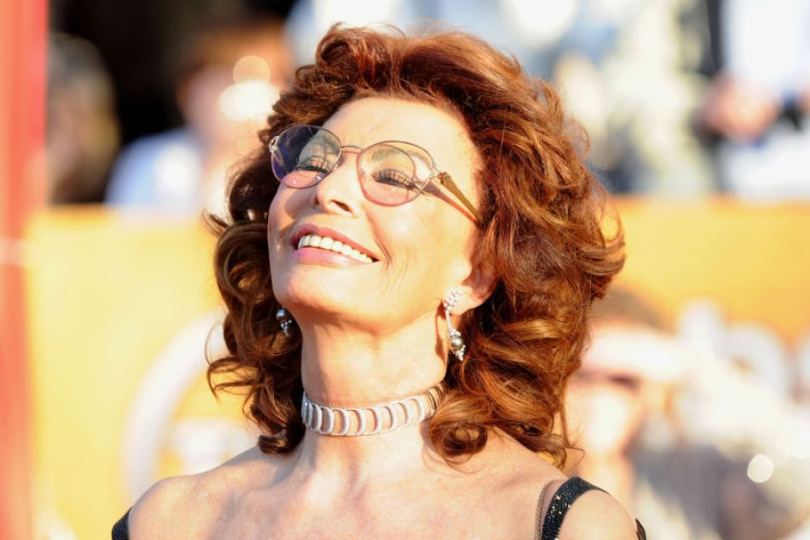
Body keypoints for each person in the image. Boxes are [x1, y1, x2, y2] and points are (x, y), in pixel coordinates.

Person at [113, 25, 643, 538]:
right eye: (313, 159)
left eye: (394, 175)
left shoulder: (557, 525)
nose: (329, 190)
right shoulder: (171, 522)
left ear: (481, 271)